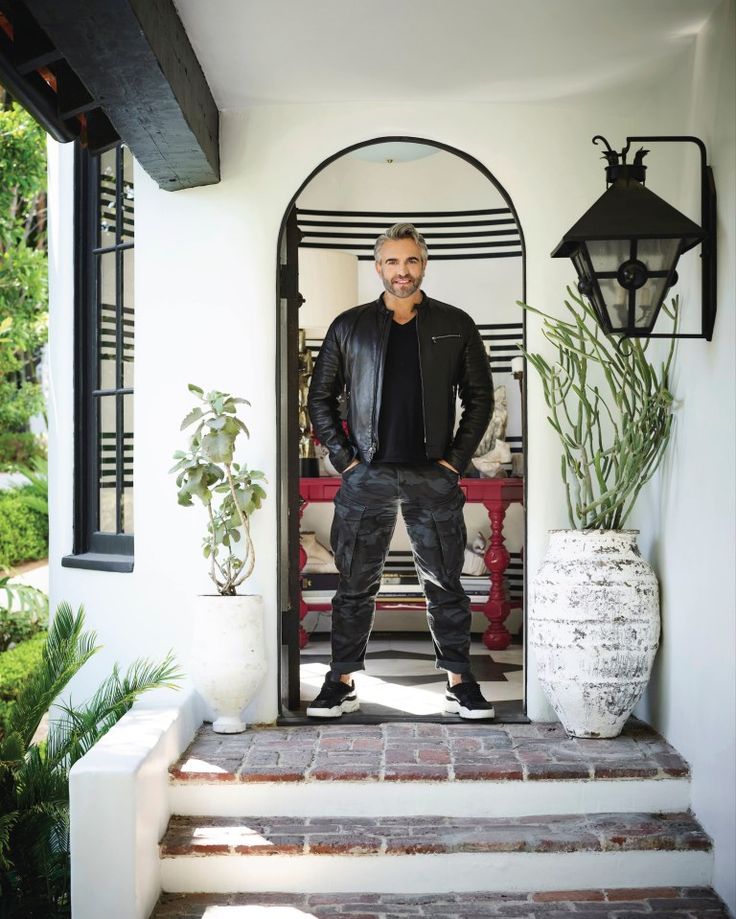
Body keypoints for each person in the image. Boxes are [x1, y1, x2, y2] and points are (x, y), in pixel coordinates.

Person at [305, 223, 495, 720]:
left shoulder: (456, 323)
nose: (402, 271)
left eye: (411, 261)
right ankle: (340, 681)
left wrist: (454, 461)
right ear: (378, 268)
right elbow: (319, 398)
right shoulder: (349, 326)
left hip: (432, 473)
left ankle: (459, 681)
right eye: (392, 261)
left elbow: (480, 398)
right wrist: (345, 461)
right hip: (366, 473)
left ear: (424, 265)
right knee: (355, 584)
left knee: (444, 583)